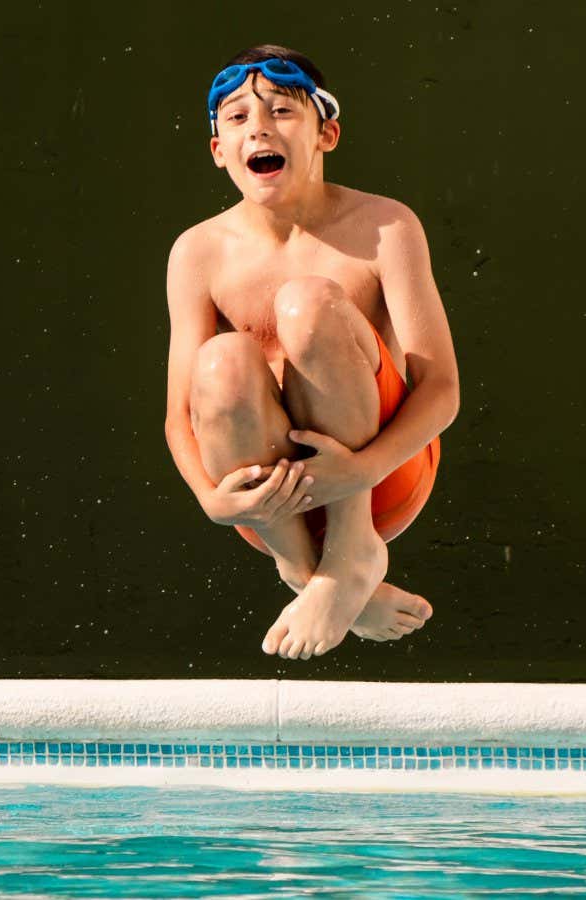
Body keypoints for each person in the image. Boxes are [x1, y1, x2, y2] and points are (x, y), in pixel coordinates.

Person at [163, 44, 461, 661]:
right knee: (219, 360)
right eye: (238, 117)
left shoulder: (385, 227)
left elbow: (442, 391)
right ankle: (308, 574)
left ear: (327, 134)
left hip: (379, 480)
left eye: (281, 111)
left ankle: (352, 551)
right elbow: (178, 417)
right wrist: (209, 499)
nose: (259, 128)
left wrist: (364, 469)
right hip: (270, 508)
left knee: (307, 302)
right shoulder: (198, 252)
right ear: (219, 150)